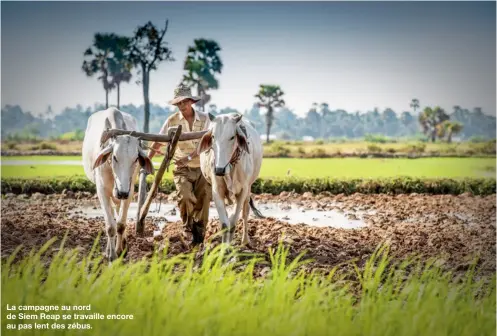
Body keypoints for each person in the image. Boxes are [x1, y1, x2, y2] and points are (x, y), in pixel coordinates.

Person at [148, 84, 212, 246]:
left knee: (203, 200)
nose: (181, 106)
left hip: (203, 168)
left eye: (184, 102)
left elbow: (208, 143)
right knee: (184, 196)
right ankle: (187, 226)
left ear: (191, 102)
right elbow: (159, 141)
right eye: (178, 103)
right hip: (181, 168)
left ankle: (200, 234)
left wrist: (189, 157)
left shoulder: (205, 119)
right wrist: (147, 160)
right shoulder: (172, 121)